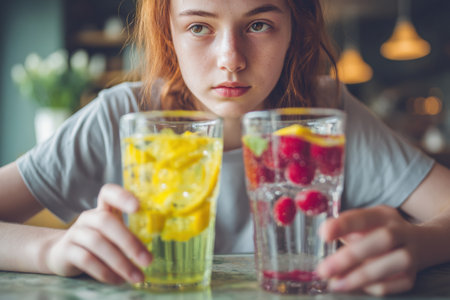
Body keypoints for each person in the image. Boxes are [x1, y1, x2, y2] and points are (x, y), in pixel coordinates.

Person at [1, 0, 450, 296]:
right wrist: (51, 251)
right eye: (199, 26)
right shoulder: (119, 117)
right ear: (167, 33)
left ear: (296, 28)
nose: (231, 58)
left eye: (259, 24)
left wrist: (418, 243)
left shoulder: (325, 113)